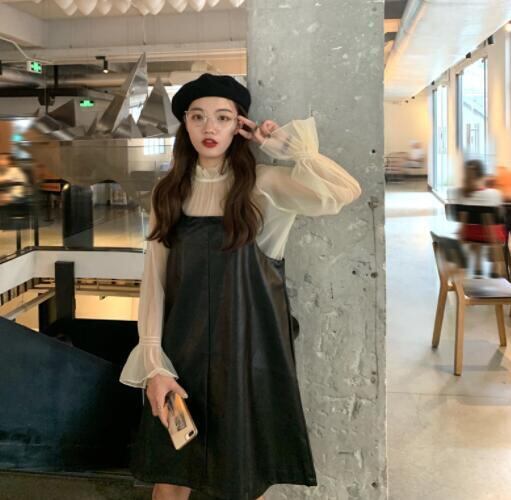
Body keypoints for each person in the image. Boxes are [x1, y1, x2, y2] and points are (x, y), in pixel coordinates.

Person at [119, 73, 361, 500]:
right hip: (182, 355)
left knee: (245, 480)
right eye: (198, 117)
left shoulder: (263, 184)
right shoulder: (167, 193)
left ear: (239, 125)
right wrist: (155, 365)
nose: (209, 128)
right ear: (185, 125)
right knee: (171, 477)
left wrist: (282, 145)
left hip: (249, 355)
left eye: (223, 117)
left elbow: (345, 191)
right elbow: (154, 283)